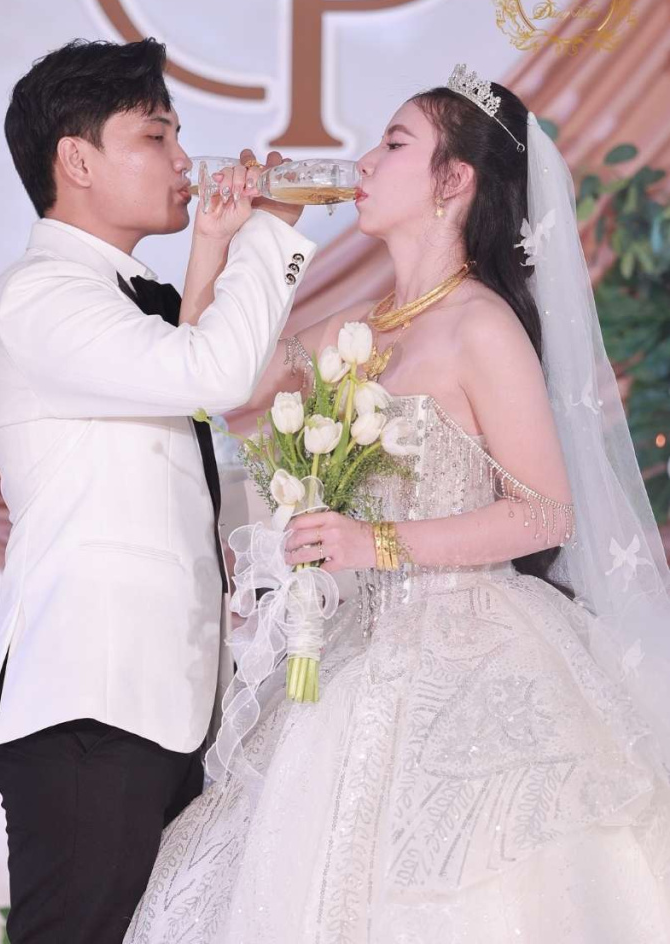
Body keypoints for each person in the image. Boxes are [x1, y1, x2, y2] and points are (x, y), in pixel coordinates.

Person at [125, 65, 670, 943]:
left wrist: (372, 541)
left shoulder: (481, 325)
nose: (365, 162)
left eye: (394, 143)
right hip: (358, 647)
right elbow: (217, 388)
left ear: (453, 181)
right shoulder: (364, 326)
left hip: (472, 651)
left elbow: (543, 514)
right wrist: (214, 247)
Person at [0, 37, 316, 944]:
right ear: (76, 160)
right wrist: (272, 232)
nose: (184, 161)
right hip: (93, 697)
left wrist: (214, 246)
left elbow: (187, 386)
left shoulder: (124, 294)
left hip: (160, 695)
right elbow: (213, 374)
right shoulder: (41, 295)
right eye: (156, 137)